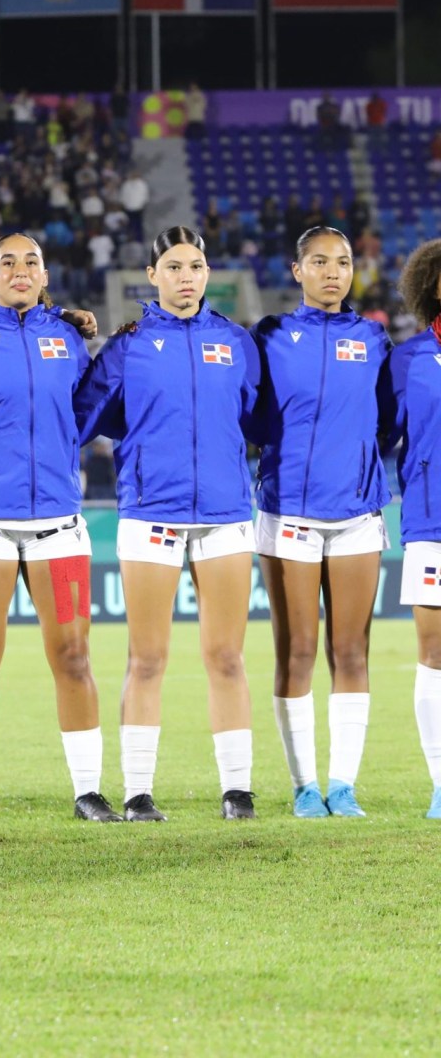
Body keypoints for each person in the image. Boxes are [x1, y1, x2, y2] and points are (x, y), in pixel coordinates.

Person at [75, 226, 260, 822]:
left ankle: (238, 790)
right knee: (147, 657)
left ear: (208, 274)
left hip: (226, 514)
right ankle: (137, 792)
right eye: (175, 266)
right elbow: (80, 417)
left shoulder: (236, 342)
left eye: (197, 266)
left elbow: (258, 422)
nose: (187, 276)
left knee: (227, 656)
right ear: (152, 275)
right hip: (151, 511)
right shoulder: (129, 347)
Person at [0, 234, 122, 825]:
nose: (20, 270)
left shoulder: (68, 338)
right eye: (7, 263)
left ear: (46, 276)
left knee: (73, 657)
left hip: (60, 530)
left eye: (32, 263)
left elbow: (86, 415)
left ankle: (88, 791)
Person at [251, 228, 395, 818]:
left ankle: (343, 785)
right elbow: (250, 416)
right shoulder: (270, 338)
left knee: (351, 651)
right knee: (298, 650)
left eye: (343, 262)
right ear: (297, 270)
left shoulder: (375, 338)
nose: (333, 272)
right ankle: (305, 785)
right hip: (288, 512)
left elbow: (385, 421)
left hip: (358, 513)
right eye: (320, 262)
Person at [390, 240, 441, 819]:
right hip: (430, 522)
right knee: (433, 652)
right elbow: (379, 430)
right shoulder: (408, 360)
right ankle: (438, 782)